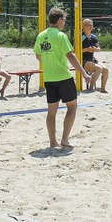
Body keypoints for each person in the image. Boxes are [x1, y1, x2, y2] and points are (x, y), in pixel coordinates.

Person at [34, 8, 91, 148]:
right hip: (63, 77)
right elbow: (70, 56)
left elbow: (38, 55)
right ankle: (64, 139)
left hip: (49, 78)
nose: (64, 22)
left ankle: (53, 142)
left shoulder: (41, 35)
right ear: (59, 20)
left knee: (51, 111)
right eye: (64, 19)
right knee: (72, 107)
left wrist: (49, 61)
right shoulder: (60, 36)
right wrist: (83, 73)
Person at [82, 18, 109, 93]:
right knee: (99, 68)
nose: (91, 26)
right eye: (88, 25)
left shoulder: (93, 37)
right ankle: (91, 87)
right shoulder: (81, 37)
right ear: (84, 26)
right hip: (83, 60)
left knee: (106, 70)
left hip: (92, 59)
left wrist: (95, 49)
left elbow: (99, 48)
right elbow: (75, 51)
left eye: (91, 25)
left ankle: (103, 89)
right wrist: (87, 49)